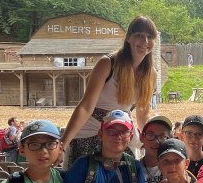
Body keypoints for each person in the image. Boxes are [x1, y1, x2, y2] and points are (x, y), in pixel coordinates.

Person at [61, 16, 157, 166]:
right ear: (128, 37)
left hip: (122, 131)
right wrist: (63, 144)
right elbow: (86, 106)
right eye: (139, 35)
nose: (145, 41)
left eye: (150, 36)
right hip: (92, 130)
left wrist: (149, 142)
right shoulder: (107, 63)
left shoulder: (151, 74)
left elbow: (143, 113)